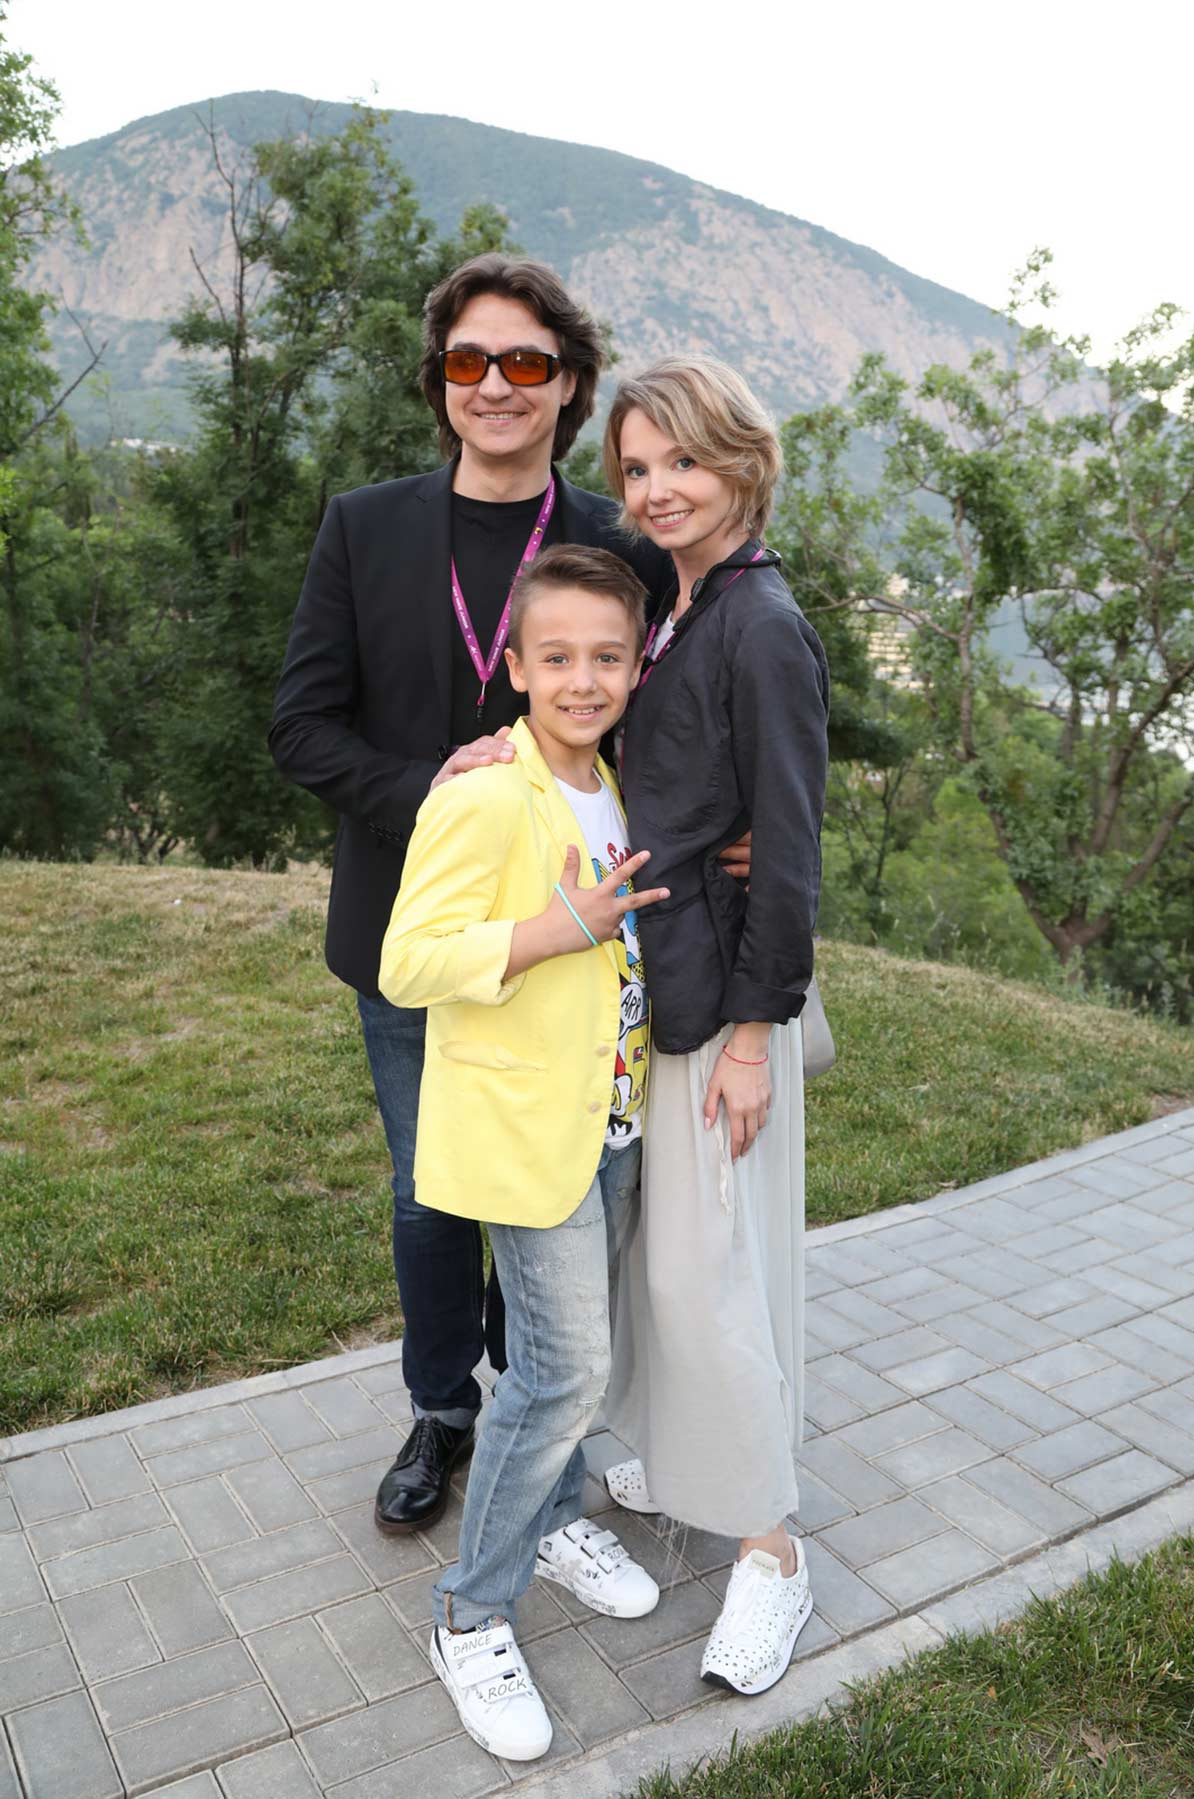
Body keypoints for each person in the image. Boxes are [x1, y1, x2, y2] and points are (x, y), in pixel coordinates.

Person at [269, 256, 668, 1535]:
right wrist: (430, 787)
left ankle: (534, 1397)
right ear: (439, 381)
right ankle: (443, 1406)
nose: (496, 384)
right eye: (468, 360)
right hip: (415, 928)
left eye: (527, 361)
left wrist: (728, 836)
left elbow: (665, 723)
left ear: (570, 384)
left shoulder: (617, 540)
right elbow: (300, 726)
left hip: (577, 933)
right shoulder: (364, 525)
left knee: (554, 1180)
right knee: (430, 1191)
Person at [377, 545, 669, 1761]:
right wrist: (556, 929)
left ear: (637, 665)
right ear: (515, 665)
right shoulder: (488, 789)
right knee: (564, 1372)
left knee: (563, 1362)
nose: (584, 678)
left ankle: (551, 1517)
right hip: (521, 1127)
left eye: (608, 656)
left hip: (612, 1118)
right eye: (558, 656)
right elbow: (408, 960)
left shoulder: (618, 782)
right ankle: (469, 1611)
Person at [599, 358, 830, 1696]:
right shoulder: (675, 602)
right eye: (636, 468)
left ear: (743, 461)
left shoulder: (762, 624)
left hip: (725, 1004)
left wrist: (753, 1034)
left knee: (706, 1273)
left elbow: (789, 850)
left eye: (681, 460)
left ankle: (772, 1550)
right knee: (664, 1257)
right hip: (669, 979)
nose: (657, 489)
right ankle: (685, 1452)